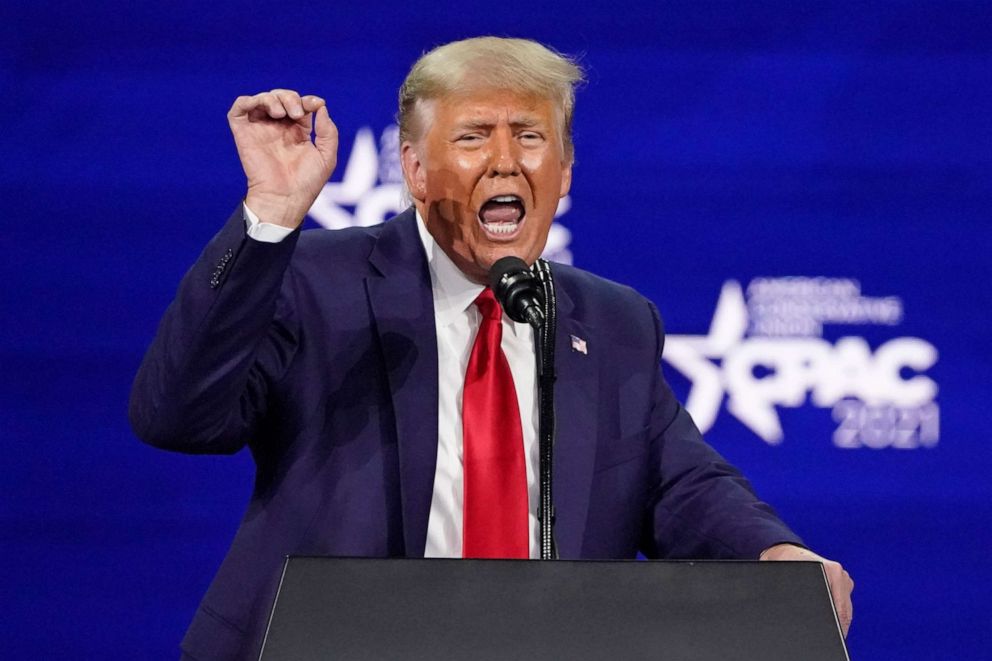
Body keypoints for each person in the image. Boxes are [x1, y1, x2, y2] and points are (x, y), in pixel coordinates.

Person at [130, 36, 853, 660]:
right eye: (474, 136)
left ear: (564, 172)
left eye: (530, 136)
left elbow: (681, 484)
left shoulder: (611, 321)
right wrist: (271, 217)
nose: (505, 161)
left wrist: (777, 556)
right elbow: (177, 415)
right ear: (414, 170)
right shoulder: (317, 282)